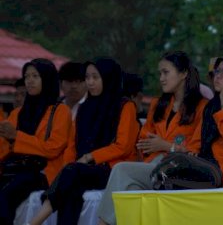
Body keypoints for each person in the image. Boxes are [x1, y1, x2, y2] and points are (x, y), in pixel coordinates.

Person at [96, 51, 207, 225]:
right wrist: (159, 150)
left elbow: (195, 150)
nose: (161, 78)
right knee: (130, 191)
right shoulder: (158, 104)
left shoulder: (201, 107)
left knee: (120, 170)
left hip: (178, 170)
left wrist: (167, 146)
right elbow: (144, 140)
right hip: (152, 166)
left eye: (166, 72)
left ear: (184, 73)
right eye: (160, 73)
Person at [29, 58, 140, 225]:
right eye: (87, 77)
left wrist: (89, 157)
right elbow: (72, 145)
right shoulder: (84, 107)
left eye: (95, 77)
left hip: (111, 169)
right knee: (71, 190)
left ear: (108, 77)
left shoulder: (125, 106)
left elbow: (122, 146)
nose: (90, 82)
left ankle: (34, 222)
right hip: (83, 170)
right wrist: (68, 166)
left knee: (73, 174)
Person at [0, 59, 72, 225]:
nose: (29, 81)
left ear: (46, 79)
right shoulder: (18, 113)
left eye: (35, 76)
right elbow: (4, 148)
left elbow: (53, 148)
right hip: (14, 169)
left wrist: (17, 137)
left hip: (42, 171)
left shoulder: (60, 111)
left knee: (6, 196)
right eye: (27, 77)